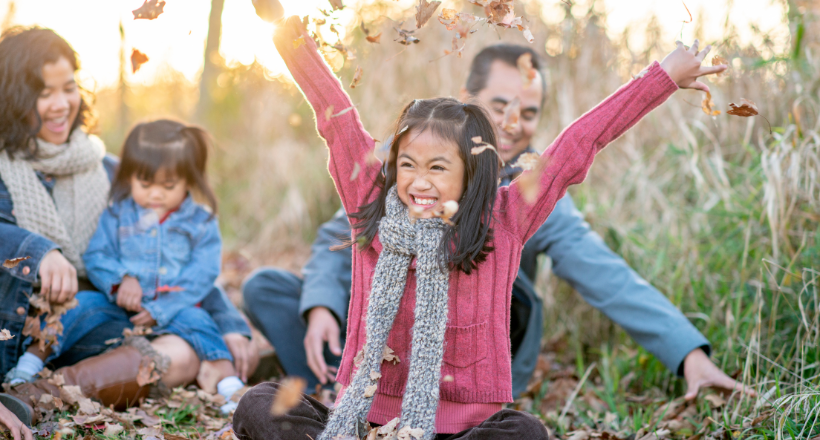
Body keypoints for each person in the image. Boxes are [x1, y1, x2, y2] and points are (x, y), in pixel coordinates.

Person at [234, 16, 725, 440]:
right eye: (408, 164)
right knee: (259, 404)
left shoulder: (505, 218)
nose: (418, 182)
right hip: (362, 420)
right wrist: (286, 30)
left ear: (472, 171)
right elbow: (334, 117)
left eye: (438, 168)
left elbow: (578, 146)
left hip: (462, 429)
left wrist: (660, 79)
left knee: (525, 432)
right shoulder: (373, 203)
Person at [0, 26, 254, 411]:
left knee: (184, 350)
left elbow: (174, 261)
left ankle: (39, 399)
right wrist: (40, 251)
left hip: (110, 322)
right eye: (43, 92)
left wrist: (229, 324)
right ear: (15, 98)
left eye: (68, 88)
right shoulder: (5, 170)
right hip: (26, 329)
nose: (60, 104)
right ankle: (30, 383)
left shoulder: (115, 174)